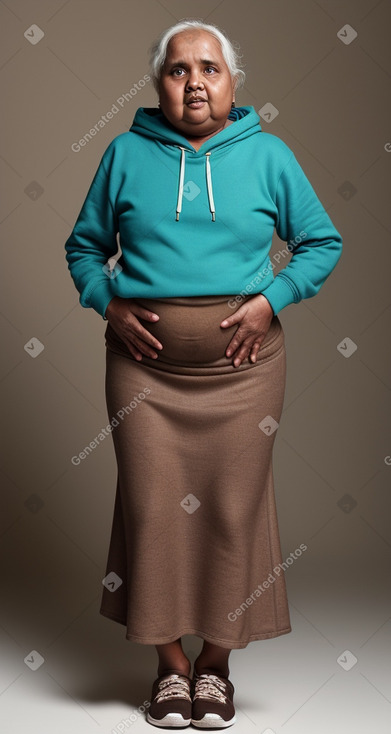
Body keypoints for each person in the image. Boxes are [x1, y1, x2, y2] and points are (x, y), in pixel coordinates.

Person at [64, 18, 343, 730]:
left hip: (244, 373)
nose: (194, 83)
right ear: (159, 83)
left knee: (232, 513)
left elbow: (319, 241)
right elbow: (83, 249)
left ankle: (215, 667)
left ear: (232, 82)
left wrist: (270, 300)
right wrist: (109, 305)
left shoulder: (269, 155)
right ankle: (169, 669)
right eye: (178, 69)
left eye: (209, 69)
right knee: (151, 512)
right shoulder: (125, 153)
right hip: (144, 377)